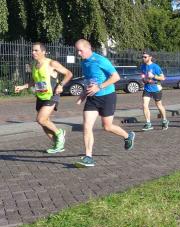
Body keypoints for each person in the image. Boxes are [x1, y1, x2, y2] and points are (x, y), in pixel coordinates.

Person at [73, 39, 135, 167]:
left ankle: (128, 136)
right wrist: (83, 95)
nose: (78, 53)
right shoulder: (84, 63)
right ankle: (88, 157)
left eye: (80, 50)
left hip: (107, 96)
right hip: (92, 98)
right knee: (87, 126)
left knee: (107, 126)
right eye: (77, 51)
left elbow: (116, 77)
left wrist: (99, 87)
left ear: (88, 48)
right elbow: (90, 81)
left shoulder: (100, 60)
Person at [13, 42, 73, 153]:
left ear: (43, 52)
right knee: (44, 123)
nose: (33, 52)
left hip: (52, 95)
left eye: (36, 50)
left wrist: (61, 85)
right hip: (40, 96)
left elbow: (69, 73)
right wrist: (22, 87)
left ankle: (60, 133)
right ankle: (58, 144)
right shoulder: (34, 65)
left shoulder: (51, 63)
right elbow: (34, 81)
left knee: (40, 119)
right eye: (32, 50)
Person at [139, 51, 169, 131]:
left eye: (145, 57)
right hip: (147, 88)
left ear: (150, 57)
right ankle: (148, 123)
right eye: (142, 57)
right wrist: (144, 79)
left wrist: (153, 76)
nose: (143, 58)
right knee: (144, 105)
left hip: (156, 88)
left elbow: (163, 78)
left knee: (159, 105)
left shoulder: (156, 67)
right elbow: (143, 76)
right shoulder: (142, 66)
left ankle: (165, 120)